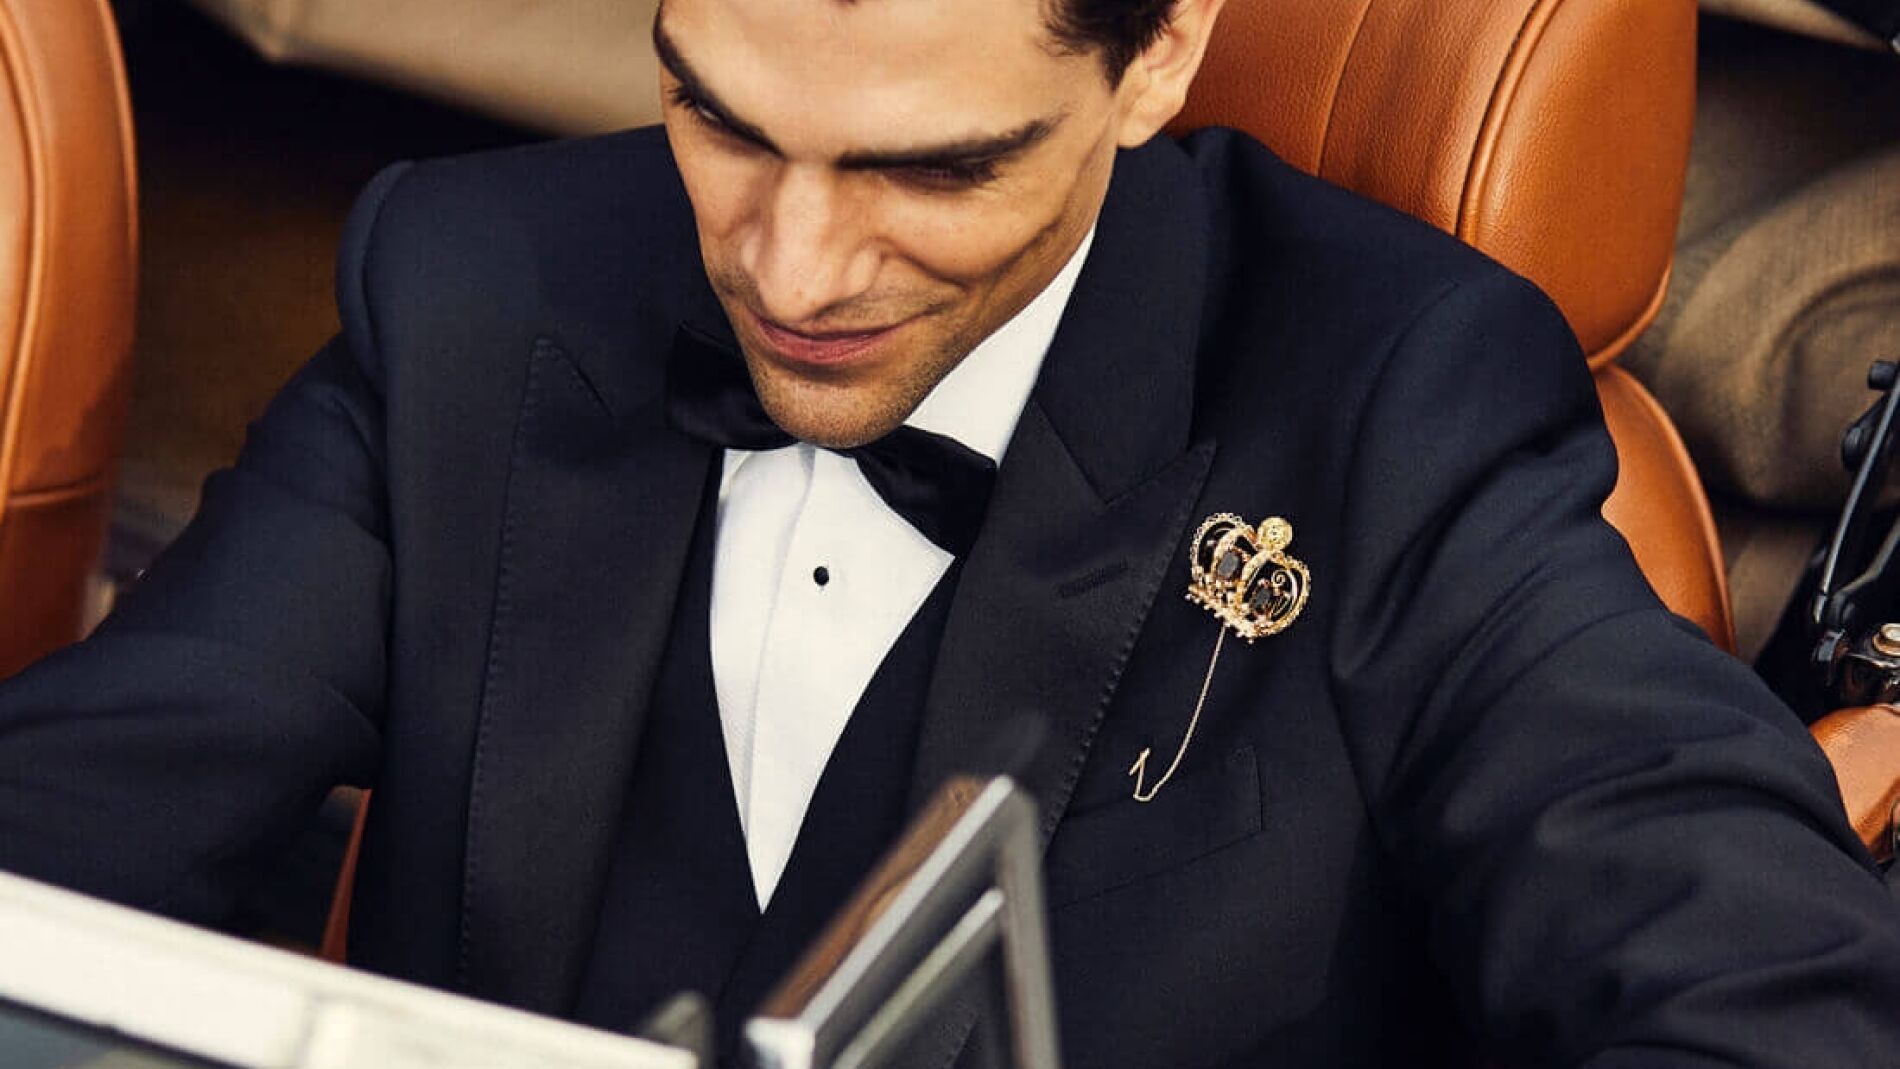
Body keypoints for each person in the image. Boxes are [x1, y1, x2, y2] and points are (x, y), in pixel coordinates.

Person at [3, 0, 1898, 1065]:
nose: (792, 268)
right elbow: (62, 835)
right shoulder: (468, 286)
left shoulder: (1400, 401)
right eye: (720, 119)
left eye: (930, 168)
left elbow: (1766, 1000)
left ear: (1161, 56)